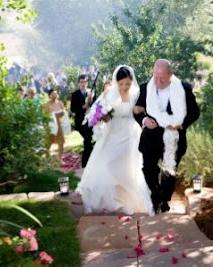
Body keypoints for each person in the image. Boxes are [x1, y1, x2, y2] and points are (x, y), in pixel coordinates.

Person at [76, 65, 154, 215]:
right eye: (121, 84)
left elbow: (140, 112)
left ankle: (127, 199)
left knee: (128, 168)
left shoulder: (136, 94)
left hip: (130, 135)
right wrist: (103, 117)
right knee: (106, 164)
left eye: (127, 84)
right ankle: (110, 199)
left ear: (132, 82)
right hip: (112, 134)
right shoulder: (108, 93)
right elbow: (96, 112)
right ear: (116, 82)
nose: (124, 87)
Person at [134, 59, 200, 214]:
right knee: (148, 168)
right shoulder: (145, 88)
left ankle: (165, 198)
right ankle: (155, 193)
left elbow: (194, 113)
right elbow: (135, 111)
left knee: (169, 172)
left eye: (162, 77)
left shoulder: (184, 88)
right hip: (151, 137)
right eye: (155, 77)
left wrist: (180, 124)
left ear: (171, 74)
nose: (158, 81)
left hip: (174, 138)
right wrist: (144, 120)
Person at [70, 74, 94, 167]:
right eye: (81, 82)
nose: (83, 84)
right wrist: (82, 107)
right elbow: (72, 109)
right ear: (79, 83)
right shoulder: (75, 94)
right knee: (88, 139)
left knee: (88, 141)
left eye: (85, 82)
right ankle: (85, 162)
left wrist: (91, 101)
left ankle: (87, 162)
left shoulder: (91, 92)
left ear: (87, 83)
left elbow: (95, 105)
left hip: (90, 121)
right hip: (80, 122)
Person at [44, 89, 65, 161]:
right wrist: (54, 115)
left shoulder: (60, 103)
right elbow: (45, 115)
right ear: (49, 96)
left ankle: (60, 159)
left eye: (55, 94)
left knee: (61, 142)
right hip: (51, 126)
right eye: (52, 94)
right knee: (48, 142)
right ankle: (47, 156)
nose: (54, 95)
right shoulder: (47, 104)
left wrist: (61, 114)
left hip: (59, 125)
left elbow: (63, 112)